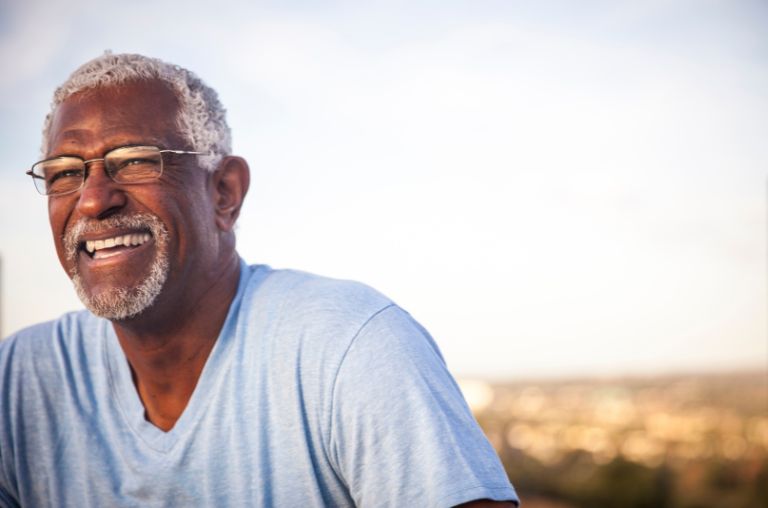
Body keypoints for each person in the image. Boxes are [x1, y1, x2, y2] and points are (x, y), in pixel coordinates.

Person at [0, 52, 518, 507]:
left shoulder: (351, 348)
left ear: (224, 192)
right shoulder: (19, 380)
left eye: (135, 161)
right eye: (64, 172)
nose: (92, 199)